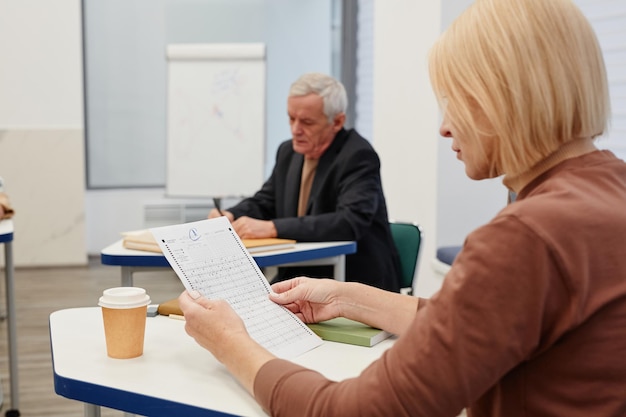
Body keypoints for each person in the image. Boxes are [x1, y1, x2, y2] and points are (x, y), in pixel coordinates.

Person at [180, 0, 626, 415]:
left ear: (507, 98)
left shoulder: (526, 236)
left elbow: (354, 411)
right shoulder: (609, 189)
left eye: (453, 100)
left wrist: (231, 344)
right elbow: (478, 324)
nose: (445, 127)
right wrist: (343, 295)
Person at [209, 72, 402, 292]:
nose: (295, 129)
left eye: (307, 122)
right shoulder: (288, 151)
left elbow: (349, 222)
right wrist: (231, 215)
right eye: (291, 118)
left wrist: (272, 228)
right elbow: (267, 200)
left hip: (353, 281)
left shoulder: (358, 155)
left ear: (337, 121)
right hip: (301, 275)